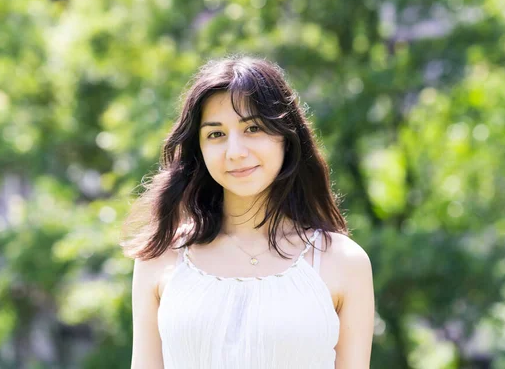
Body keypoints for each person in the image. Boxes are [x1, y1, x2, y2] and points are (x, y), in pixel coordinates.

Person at [122, 55, 375, 369]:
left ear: (287, 136)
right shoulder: (160, 258)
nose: (235, 152)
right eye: (216, 134)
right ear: (198, 150)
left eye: (253, 128)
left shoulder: (343, 262)